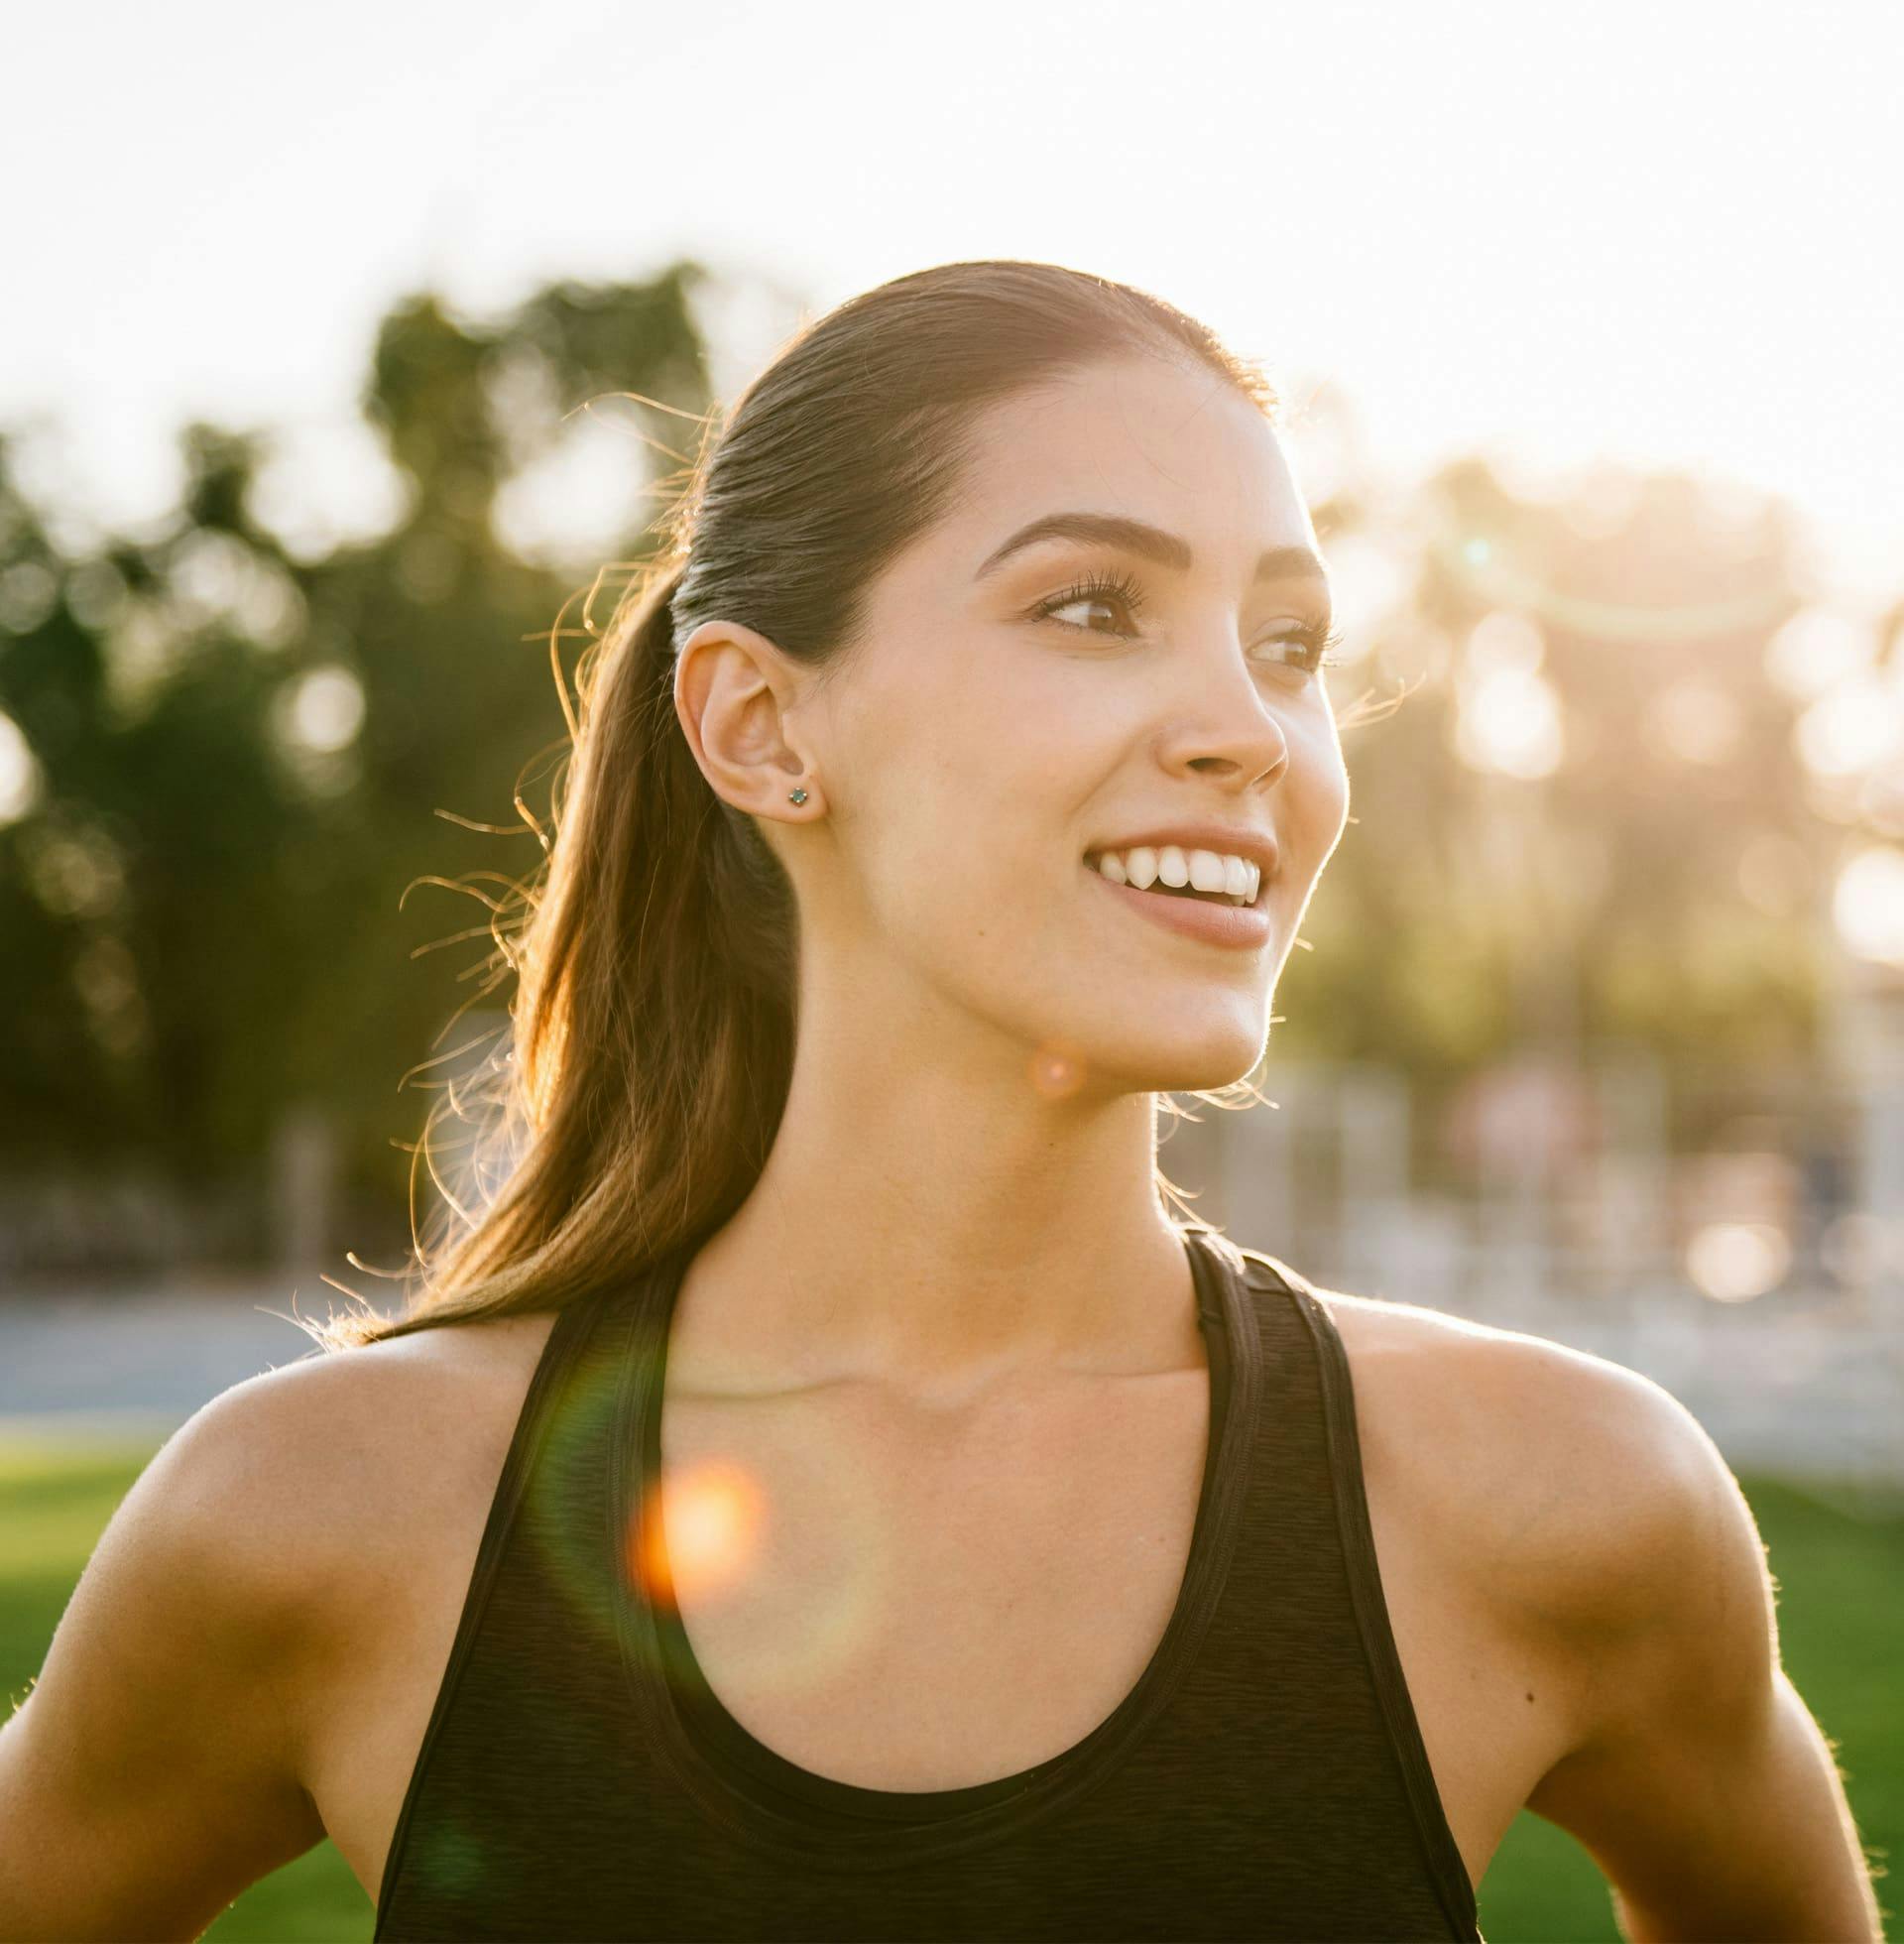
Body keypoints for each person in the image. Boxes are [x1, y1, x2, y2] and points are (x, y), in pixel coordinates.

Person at [0, 261, 1882, 1942]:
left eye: (1291, 645)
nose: (1251, 731)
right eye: (1094, 606)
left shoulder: (1562, 1502)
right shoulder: (320, 1512)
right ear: (759, 725)